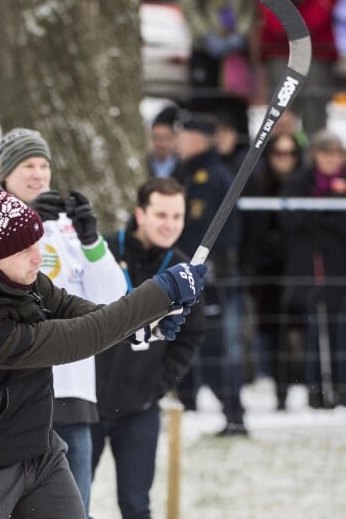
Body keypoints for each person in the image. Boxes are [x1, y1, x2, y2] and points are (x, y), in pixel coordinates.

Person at [0, 168, 207, 519]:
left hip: (38, 448)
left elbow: (70, 307)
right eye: (26, 250)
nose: (38, 257)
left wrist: (142, 326)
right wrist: (158, 293)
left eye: (37, 244)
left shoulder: (13, 276)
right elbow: (74, 339)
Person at [0, 127, 127, 515]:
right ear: (5, 174)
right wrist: (24, 227)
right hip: (13, 398)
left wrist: (92, 242)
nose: (38, 174)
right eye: (27, 165)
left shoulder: (66, 228)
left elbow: (110, 296)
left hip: (74, 395)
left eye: (43, 165)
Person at [93, 177, 205, 519]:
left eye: (177, 216)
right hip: (86, 406)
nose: (170, 224)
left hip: (139, 407)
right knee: (69, 501)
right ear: (140, 214)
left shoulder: (186, 271)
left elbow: (190, 336)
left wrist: (155, 386)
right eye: (161, 215)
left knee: (137, 505)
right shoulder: (106, 252)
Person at [172, 113, 247, 435]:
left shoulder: (210, 176)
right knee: (191, 341)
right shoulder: (189, 172)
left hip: (209, 277)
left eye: (182, 136)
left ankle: (234, 415)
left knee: (214, 347)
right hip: (191, 274)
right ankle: (191, 405)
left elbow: (204, 231)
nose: (177, 142)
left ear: (196, 140)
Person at [278, 130, 346, 408]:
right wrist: (328, 205)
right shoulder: (299, 182)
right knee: (314, 330)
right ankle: (316, 391)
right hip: (310, 267)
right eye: (324, 153)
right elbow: (291, 221)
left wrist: (320, 213)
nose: (330, 159)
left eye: (336, 154)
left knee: (341, 332)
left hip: (340, 268)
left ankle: (341, 388)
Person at [242, 132, 304, 404]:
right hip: (268, 272)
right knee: (273, 334)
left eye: (289, 154)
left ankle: (315, 391)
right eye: (279, 153)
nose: (284, 160)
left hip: (301, 269)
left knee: (305, 332)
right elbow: (252, 233)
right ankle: (279, 391)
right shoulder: (257, 186)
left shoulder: (304, 186)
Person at [258, 0, 341, 137]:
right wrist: (284, 25)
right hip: (279, 47)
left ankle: (314, 161)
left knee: (315, 109)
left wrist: (302, 27)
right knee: (281, 111)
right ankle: (281, 158)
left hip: (317, 48)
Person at [180, 0, 255, 138]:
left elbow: (252, 6)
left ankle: (238, 156)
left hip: (235, 55)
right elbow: (189, 5)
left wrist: (240, 34)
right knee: (203, 107)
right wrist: (206, 36)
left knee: (236, 109)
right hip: (205, 50)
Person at [147, 105, 179, 178]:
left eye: (166, 138)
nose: (161, 144)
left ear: (174, 139)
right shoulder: (144, 165)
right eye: (157, 137)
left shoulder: (184, 166)